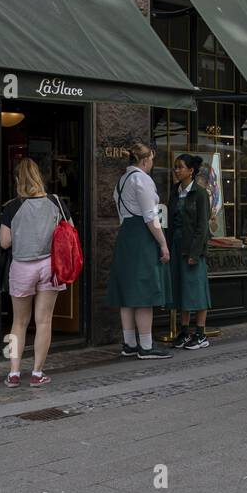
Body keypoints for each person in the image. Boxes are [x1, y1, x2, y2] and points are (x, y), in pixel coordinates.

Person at [0, 158, 64, 387]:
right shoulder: (56, 202)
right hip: (49, 266)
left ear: (18, 179)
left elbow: (4, 242)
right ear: (39, 176)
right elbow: (69, 233)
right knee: (44, 321)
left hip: (22, 266)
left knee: (19, 322)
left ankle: (14, 373)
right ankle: (37, 373)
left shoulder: (12, 207)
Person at [108, 143, 173, 360]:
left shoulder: (121, 181)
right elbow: (150, 217)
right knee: (145, 291)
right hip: (142, 237)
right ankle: (145, 345)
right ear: (145, 160)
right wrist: (163, 244)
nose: (152, 164)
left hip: (126, 235)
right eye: (152, 160)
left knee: (127, 292)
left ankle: (129, 343)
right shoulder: (142, 179)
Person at [168, 153, 212, 350]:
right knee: (181, 289)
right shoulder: (174, 191)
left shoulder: (200, 194)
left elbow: (203, 227)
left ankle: (201, 334)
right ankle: (184, 332)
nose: (176, 170)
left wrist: (195, 253)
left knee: (197, 290)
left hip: (193, 248)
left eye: (180, 167)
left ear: (190, 171)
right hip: (176, 246)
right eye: (175, 167)